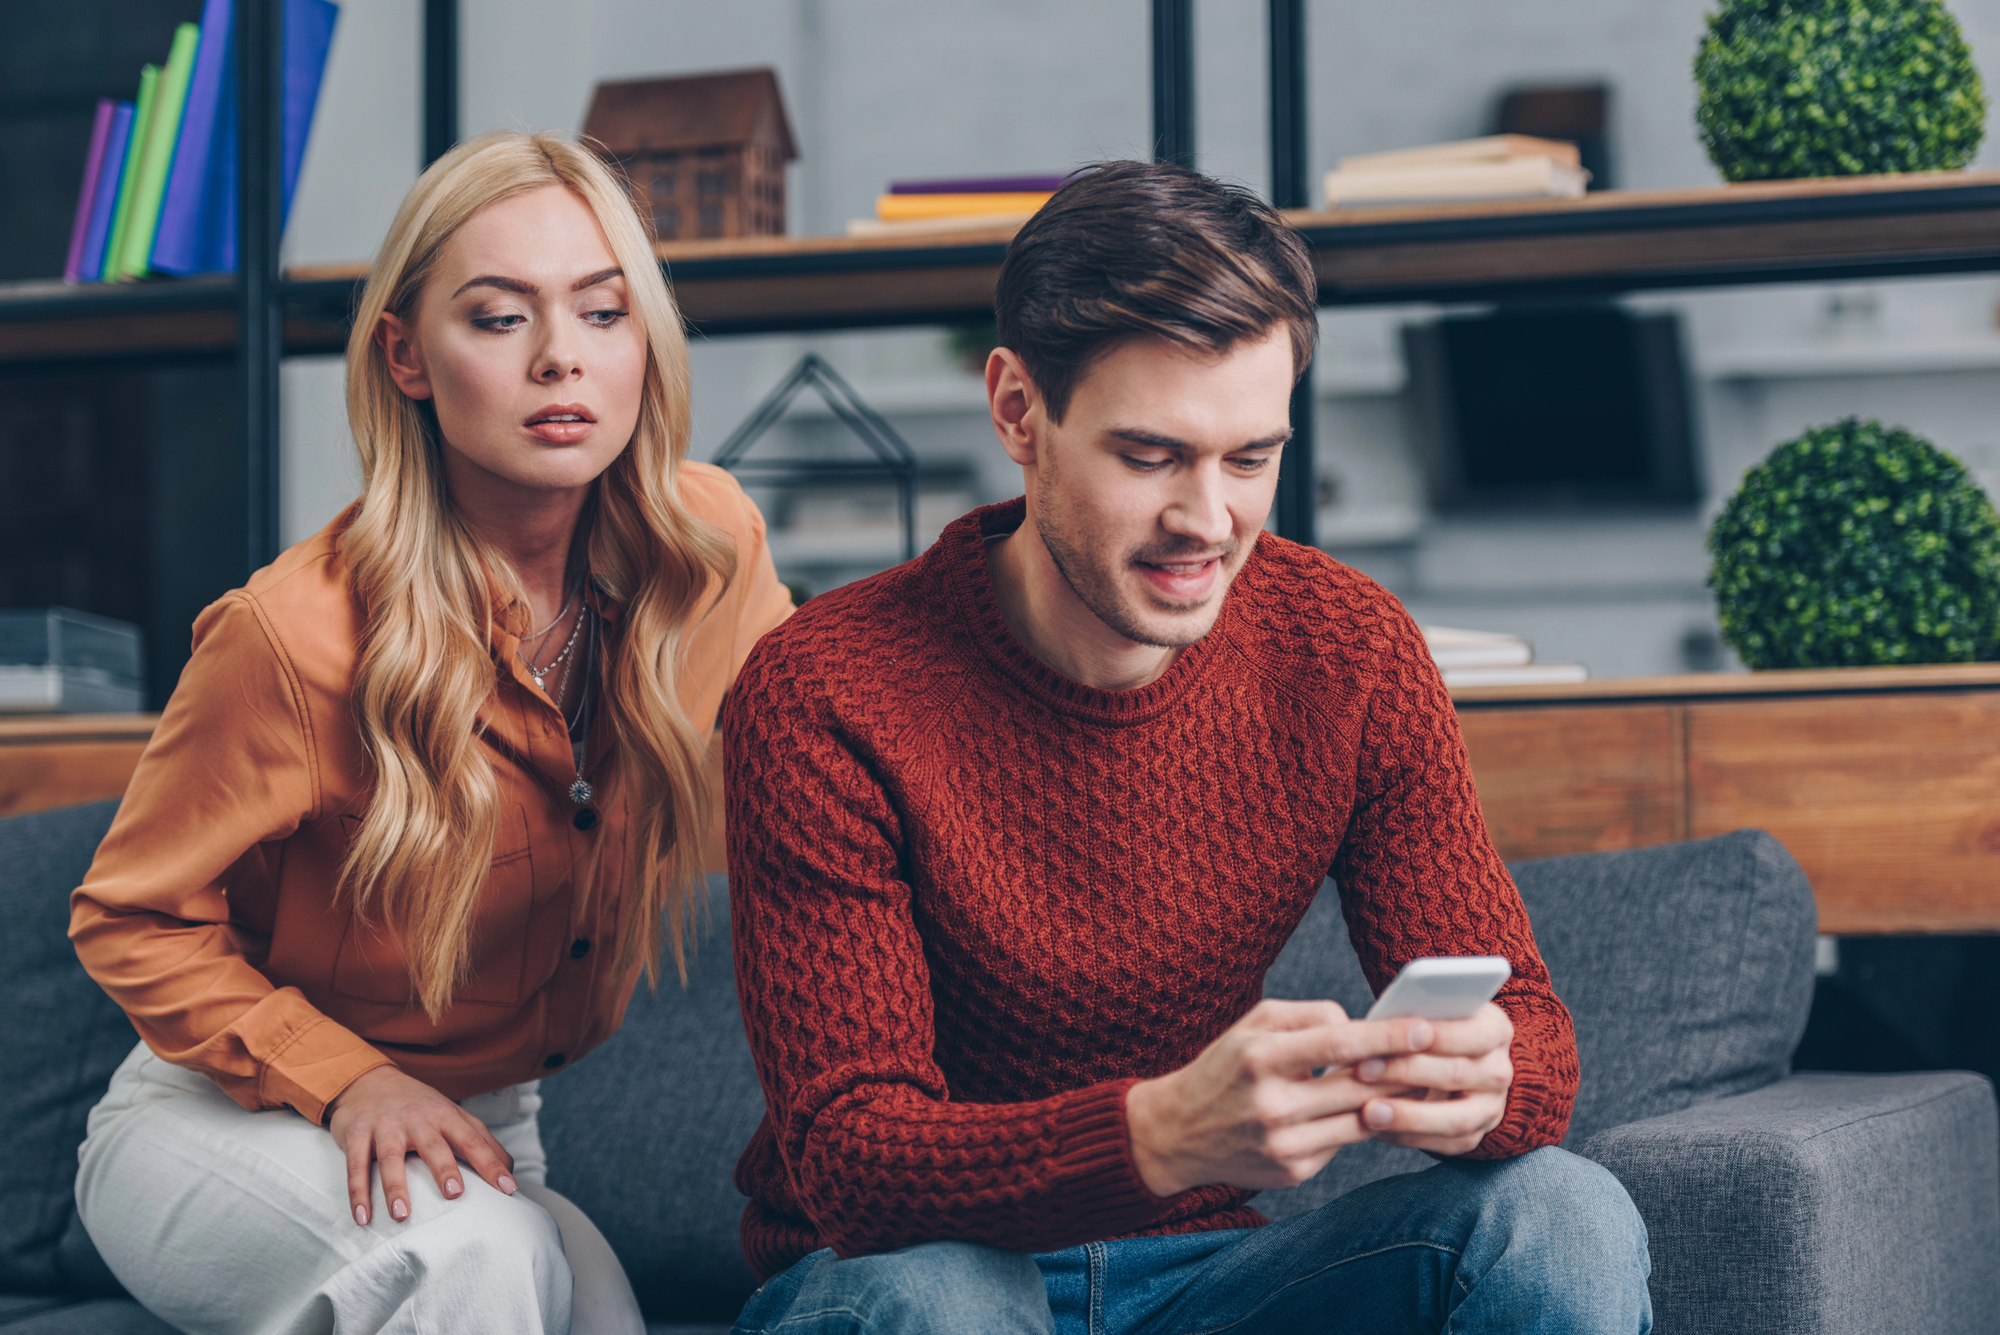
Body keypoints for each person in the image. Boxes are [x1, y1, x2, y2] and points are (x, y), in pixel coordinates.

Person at [723, 160, 1651, 1334]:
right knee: (942, 1301)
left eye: (1249, 459)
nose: (1206, 522)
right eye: (1149, 456)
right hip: (908, 1270)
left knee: (1557, 1215)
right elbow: (852, 1160)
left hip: (1216, 1273)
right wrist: (1157, 1132)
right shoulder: (825, 687)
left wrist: (1483, 1085)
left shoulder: (1348, 650)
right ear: (1018, 410)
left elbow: (1533, 1037)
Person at [68, 130, 791, 1335]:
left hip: (486, 1124)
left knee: (596, 1311)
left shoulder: (703, 550)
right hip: (223, 1119)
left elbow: (823, 735)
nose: (562, 359)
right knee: (475, 1267)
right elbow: (129, 915)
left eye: (603, 314)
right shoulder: (293, 637)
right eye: (499, 319)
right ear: (406, 355)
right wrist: (347, 1076)